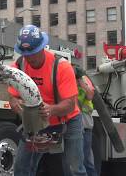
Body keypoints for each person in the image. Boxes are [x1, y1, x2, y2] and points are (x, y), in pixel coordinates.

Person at [8, 25, 87, 176]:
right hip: (37, 123)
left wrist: (51, 109)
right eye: (25, 54)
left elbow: (70, 105)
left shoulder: (62, 67)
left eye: (32, 53)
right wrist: (16, 104)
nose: (29, 58)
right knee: (22, 167)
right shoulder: (18, 67)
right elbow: (12, 96)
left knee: (74, 168)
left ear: (42, 48)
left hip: (68, 120)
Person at [75, 66, 97, 176]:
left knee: (85, 161)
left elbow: (90, 95)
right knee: (85, 161)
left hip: (85, 127)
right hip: (77, 128)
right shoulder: (71, 84)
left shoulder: (84, 82)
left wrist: (81, 83)